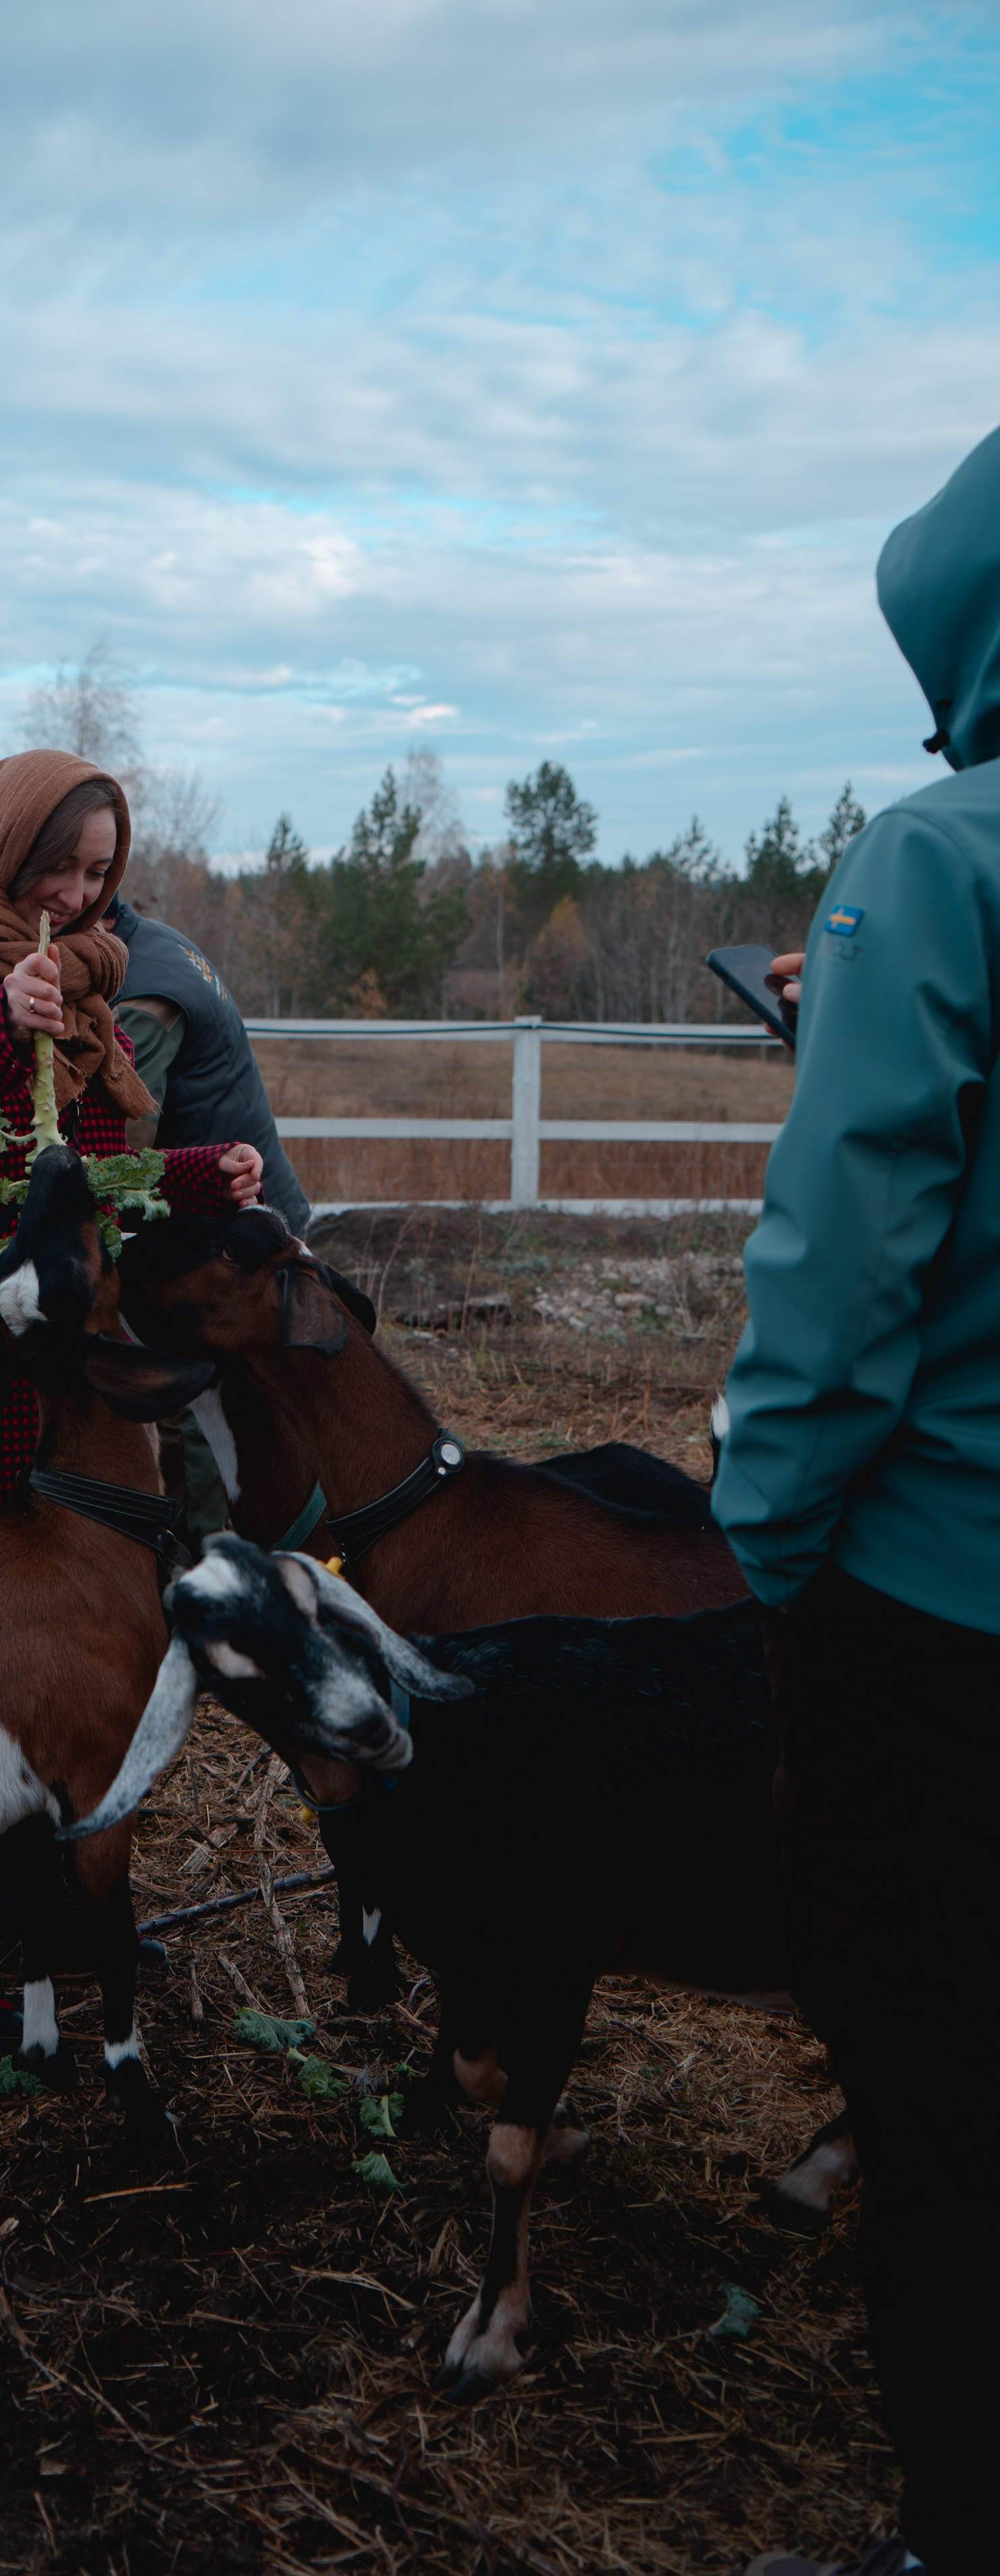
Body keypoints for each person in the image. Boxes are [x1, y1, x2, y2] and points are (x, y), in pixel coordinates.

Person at [715, 426, 1000, 2576]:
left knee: (948, 2115)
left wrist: (759, 1555)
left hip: (945, 1613)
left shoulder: (938, 866)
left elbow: (839, 1290)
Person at [0, 748, 262, 2035]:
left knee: (43, 1644)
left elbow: (89, 1182)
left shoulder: (89, 995)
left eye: (99, 874)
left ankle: (42, 1918)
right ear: (2, 853)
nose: (76, 897)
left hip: (48, 1383)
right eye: (56, 869)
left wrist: (199, 1178)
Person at [108, 892, 311, 1537]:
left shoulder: (142, 998)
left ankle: (206, 1553)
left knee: (198, 1390)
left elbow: (120, 1147)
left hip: (224, 1231)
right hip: (244, 1208)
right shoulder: (154, 945)